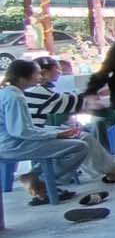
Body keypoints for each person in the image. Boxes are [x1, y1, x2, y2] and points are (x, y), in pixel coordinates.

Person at [27, 57, 115, 184]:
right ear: (43, 72)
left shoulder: (27, 91)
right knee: (81, 142)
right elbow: (71, 103)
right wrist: (93, 96)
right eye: (57, 69)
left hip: (37, 133)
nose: (60, 72)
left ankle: (38, 175)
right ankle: (43, 180)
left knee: (81, 134)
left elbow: (68, 100)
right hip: (37, 136)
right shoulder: (38, 92)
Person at [1, 60, 88, 205]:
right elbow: (21, 131)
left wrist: (58, 131)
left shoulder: (8, 93)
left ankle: (35, 176)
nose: (40, 77)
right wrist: (56, 134)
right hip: (13, 145)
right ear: (25, 77)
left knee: (68, 140)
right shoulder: (15, 97)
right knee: (79, 147)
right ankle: (44, 183)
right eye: (37, 74)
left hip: (14, 142)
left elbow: (28, 127)